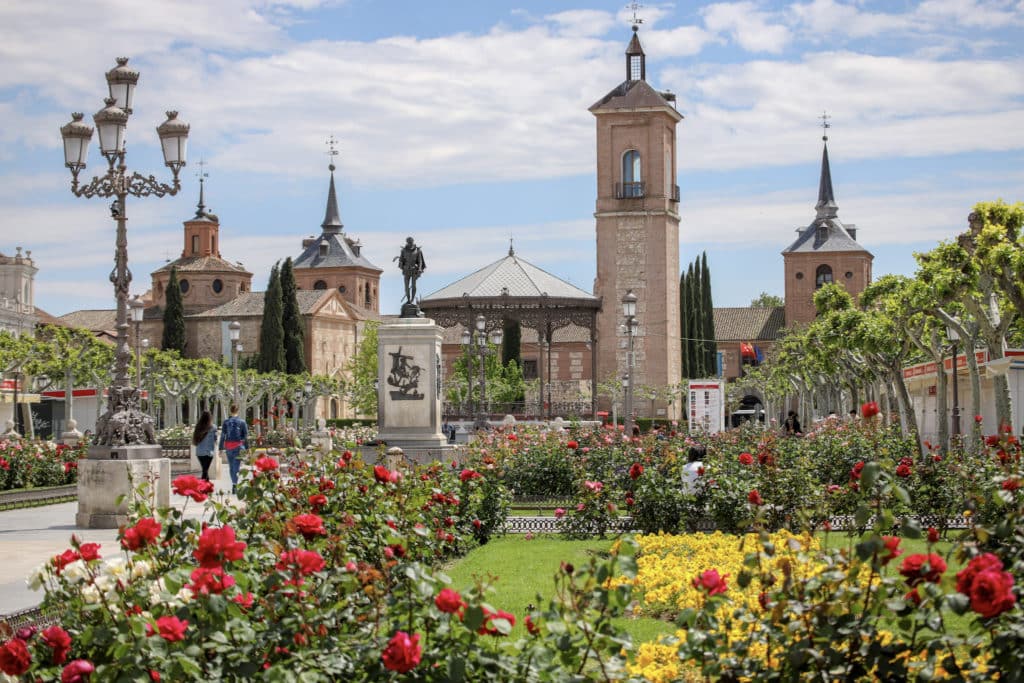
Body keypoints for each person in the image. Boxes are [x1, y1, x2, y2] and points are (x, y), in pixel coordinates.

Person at [219, 404, 249, 494]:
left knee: (231, 466)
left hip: (228, 447)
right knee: (236, 466)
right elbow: (245, 436)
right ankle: (234, 485)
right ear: (238, 411)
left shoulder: (226, 422)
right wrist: (247, 448)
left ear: (230, 411)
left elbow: (223, 435)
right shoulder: (242, 422)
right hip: (238, 446)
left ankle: (234, 483)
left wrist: (220, 448)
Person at [396, 236, 426, 303]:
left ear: (413, 241)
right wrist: (401, 264)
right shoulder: (403, 250)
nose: (410, 243)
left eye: (411, 241)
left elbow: (420, 261)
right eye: (408, 242)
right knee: (406, 286)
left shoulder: (418, 250)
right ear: (407, 242)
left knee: (414, 286)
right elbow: (401, 260)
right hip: (406, 270)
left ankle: (412, 299)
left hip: (414, 270)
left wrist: (420, 269)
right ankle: (408, 299)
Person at [192, 411, 217, 482]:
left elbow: (195, 438)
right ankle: (204, 487)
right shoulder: (213, 427)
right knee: (205, 470)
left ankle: (206, 486)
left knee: (205, 470)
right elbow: (215, 439)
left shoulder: (198, 426)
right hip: (209, 452)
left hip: (199, 452)